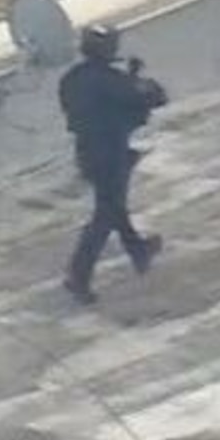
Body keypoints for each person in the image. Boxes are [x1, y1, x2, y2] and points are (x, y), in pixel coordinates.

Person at [60, 24, 168, 305]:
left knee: (113, 206)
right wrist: (136, 79)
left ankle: (138, 249)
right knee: (106, 214)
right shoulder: (110, 80)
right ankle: (79, 275)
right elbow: (150, 97)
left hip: (87, 151)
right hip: (111, 152)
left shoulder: (72, 79)